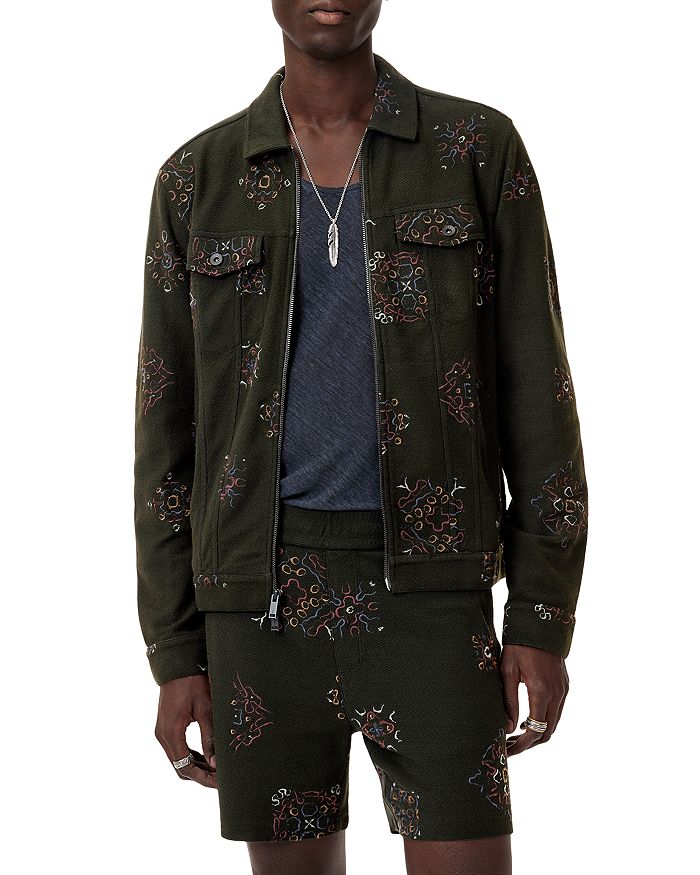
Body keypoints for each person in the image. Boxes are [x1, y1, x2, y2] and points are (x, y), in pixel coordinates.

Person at [134, 2, 588, 873]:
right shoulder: (196, 179)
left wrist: (541, 612)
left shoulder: (474, 150)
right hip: (257, 607)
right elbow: (164, 428)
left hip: (436, 599)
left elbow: (540, 390)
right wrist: (174, 647)